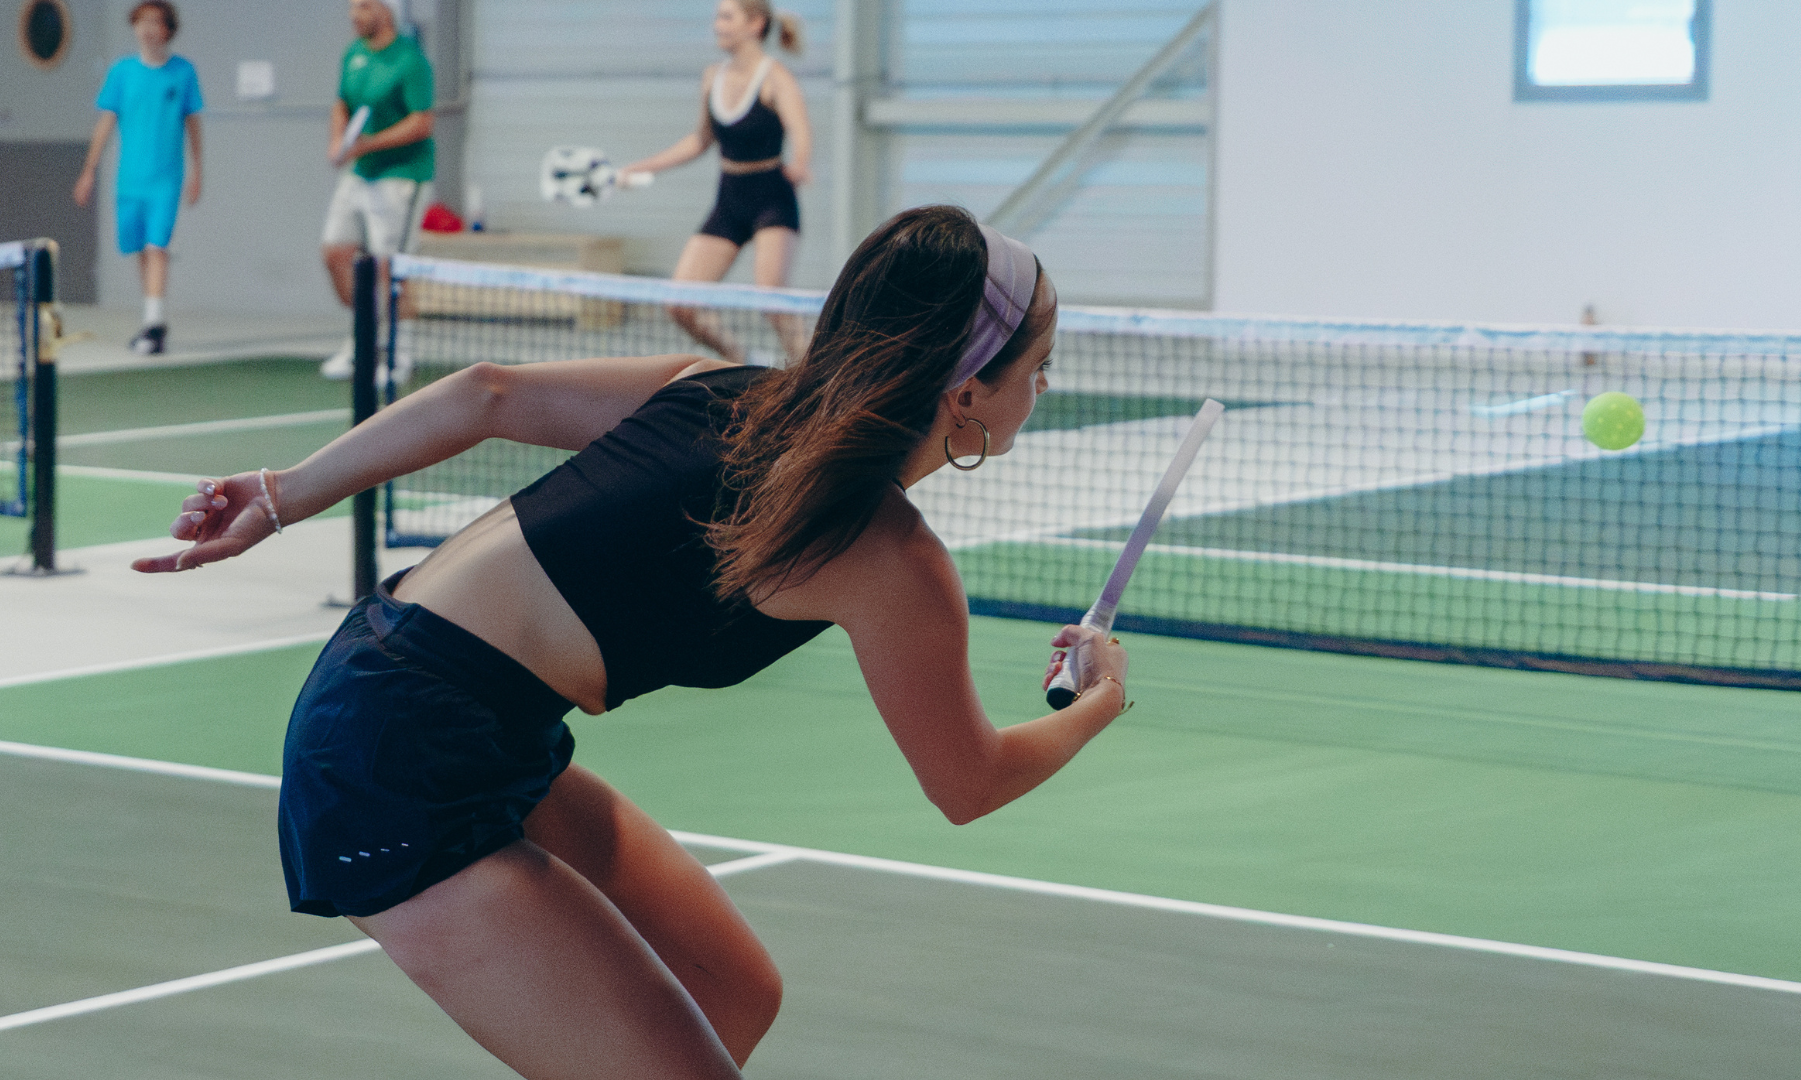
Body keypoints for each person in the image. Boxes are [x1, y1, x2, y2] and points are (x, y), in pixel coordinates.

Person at [134, 206, 1132, 1078]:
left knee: (730, 991)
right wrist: (1099, 703)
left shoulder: (727, 387)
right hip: (393, 757)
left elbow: (486, 393)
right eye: (1037, 366)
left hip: (463, 713)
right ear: (966, 394)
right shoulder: (891, 558)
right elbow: (969, 783)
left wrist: (282, 493)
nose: (1044, 386)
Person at [620, 0, 813, 364]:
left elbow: (800, 131)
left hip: (772, 199)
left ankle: (814, 378)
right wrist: (641, 167)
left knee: (773, 301)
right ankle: (746, 362)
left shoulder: (776, 77)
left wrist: (800, 163)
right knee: (680, 304)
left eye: (726, 17)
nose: (717, 25)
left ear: (755, 24)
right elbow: (699, 141)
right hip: (729, 201)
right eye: (717, 17)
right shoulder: (712, 77)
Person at [73, 1, 203, 357]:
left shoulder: (183, 73)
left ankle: (154, 323)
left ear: (167, 29)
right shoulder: (122, 72)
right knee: (140, 249)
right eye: (141, 21)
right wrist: (88, 170)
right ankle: (151, 318)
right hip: (130, 179)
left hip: (167, 178)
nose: (147, 29)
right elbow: (105, 123)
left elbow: (193, 124)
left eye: (155, 22)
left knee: (157, 246)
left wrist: (197, 171)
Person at [318, 0, 435, 381]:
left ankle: (400, 355)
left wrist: (369, 144)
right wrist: (338, 141)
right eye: (352, 6)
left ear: (385, 10)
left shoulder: (411, 60)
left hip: (402, 175)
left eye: (364, 6)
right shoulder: (352, 53)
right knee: (336, 252)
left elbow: (421, 123)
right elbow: (342, 103)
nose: (355, 14)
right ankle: (363, 341)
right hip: (359, 174)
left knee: (391, 268)